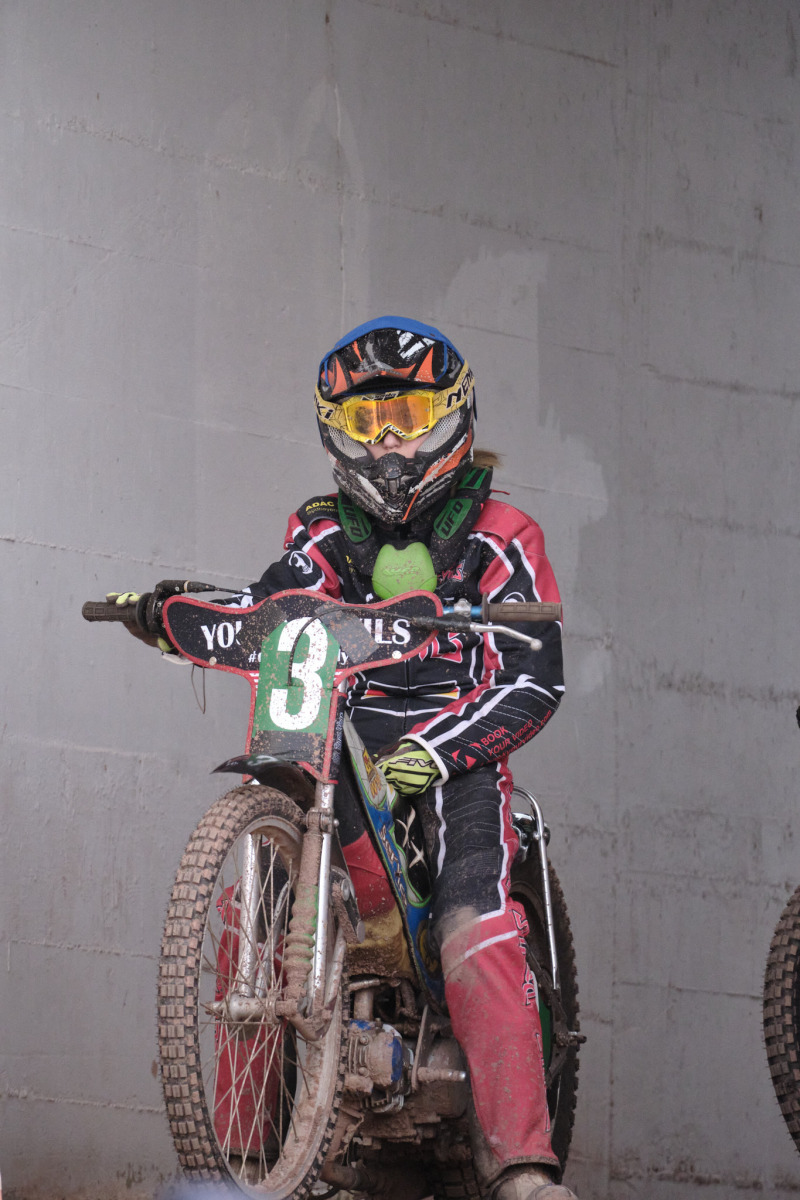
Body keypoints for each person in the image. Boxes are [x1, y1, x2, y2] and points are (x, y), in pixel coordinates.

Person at [114, 317, 576, 1200]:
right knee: (256, 909)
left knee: (474, 921)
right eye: (366, 423)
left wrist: (435, 753)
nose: (388, 441)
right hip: (344, 745)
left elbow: (533, 679)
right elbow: (275, 602)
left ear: (451, 415)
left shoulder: (503, 533)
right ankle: (243, 1158)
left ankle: (523, 1165)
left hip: (453, 756)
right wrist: (170, 612)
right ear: (336, 432)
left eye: (406, 416)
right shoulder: (322, 532)